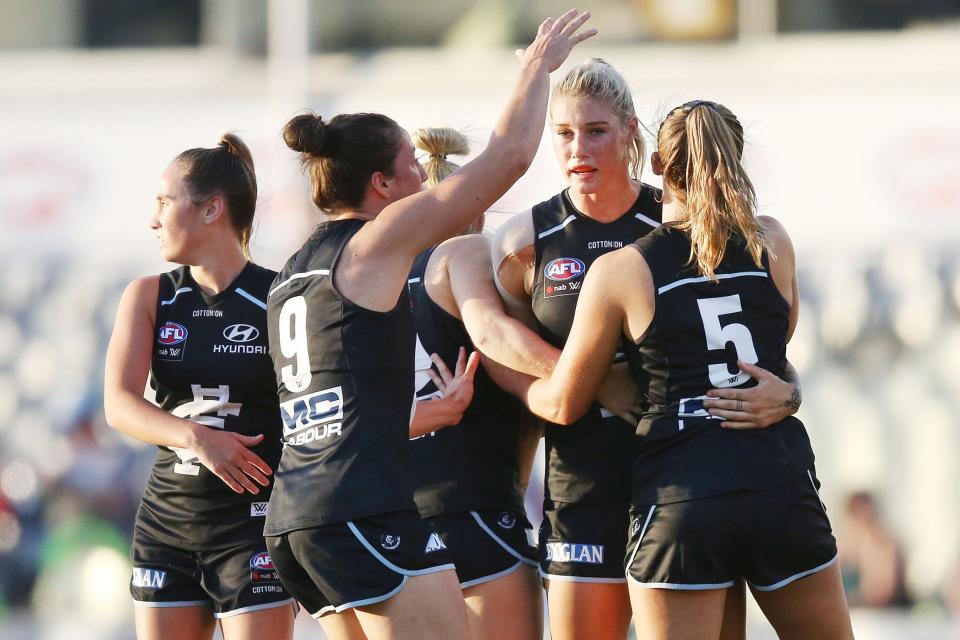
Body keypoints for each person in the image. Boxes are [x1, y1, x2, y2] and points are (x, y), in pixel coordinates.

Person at [262, 11, 596, 640]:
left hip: (296, 518)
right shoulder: (374, 243)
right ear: (381, 184)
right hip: (364, 511)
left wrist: (417, 416)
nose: (424, 175)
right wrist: (534, 69)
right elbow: (509, 158)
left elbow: (328, 410)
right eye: (411, 164)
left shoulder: (290, 275)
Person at [502, 99, 854, 639]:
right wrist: (788, 398)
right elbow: (774, 355)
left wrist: (498, 358)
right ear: (736, 160)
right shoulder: (772, 240)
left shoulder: (621, 270)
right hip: (779, 483)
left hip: (683, 494)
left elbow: (565, 402)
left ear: (659, 167)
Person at [103, 134, 296, 640]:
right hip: (167, 523)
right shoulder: (149, 296)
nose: (153, 219)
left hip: (251, 526)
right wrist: (195, 437)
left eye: (165, 202)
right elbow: (119, 405)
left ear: (212, 209)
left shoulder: (281, 297)